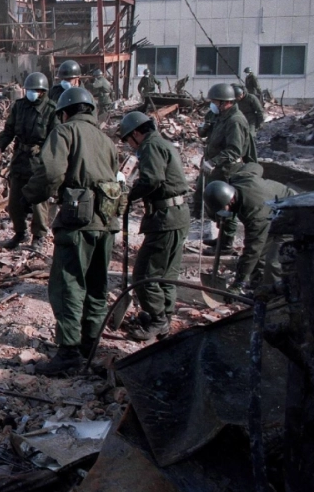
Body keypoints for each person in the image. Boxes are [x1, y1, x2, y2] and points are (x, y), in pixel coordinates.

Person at [23, 87, 121, 374]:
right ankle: (90, 345)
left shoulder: (64, 132)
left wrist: (31, 194)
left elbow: (51, 172)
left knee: (68, 285)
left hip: (77, 221)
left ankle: (68, 354)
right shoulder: (107, 140)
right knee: (96, 285)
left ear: (65, 112)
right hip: (106, 220)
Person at [117, 112, 190, 341]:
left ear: (137, 133)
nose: (130, 145)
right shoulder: (162, 143)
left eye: (129, 139)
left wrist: (128, 194)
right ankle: (164, 318)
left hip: (165, 219)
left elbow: (152, 179)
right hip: (176, 216)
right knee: (166, 274)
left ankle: (158, 321)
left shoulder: (150, 146)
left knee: (144, 275)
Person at [204, 169, 295, 295]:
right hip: (271, 211)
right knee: (260, 257)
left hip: (291, 213)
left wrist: (238, 282)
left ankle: (274, 299)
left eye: (224, 208)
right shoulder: (237, 178)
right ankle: (257, 287)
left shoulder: (254, 213)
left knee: (273, 262)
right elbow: (255, 166)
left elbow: (252, 250)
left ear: (231, 200)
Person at [0, 72, 56, 250]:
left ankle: (39, 236)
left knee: (38, 203)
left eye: (34, 90)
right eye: (28, 90)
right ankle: (20, 233)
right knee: (14, 202)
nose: (30, 93)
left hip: (39, 161)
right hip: (20, 160)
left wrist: (50, 163)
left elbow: (56, 139)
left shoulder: (51, 110)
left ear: (42, 91)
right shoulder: (19, 106)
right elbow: (8, 131)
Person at [196, 83, 257, 250]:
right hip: (216, 169)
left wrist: (214, 162)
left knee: (225, 205)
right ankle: (221, 237)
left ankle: (226, 243)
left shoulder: (235, 120)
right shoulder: (220, 116)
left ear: (225, 102)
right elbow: (205, 135)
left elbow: (235, 150)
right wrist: (205, 127)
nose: (212, 105)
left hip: (226, 170)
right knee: (213, 205)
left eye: (215, 102)